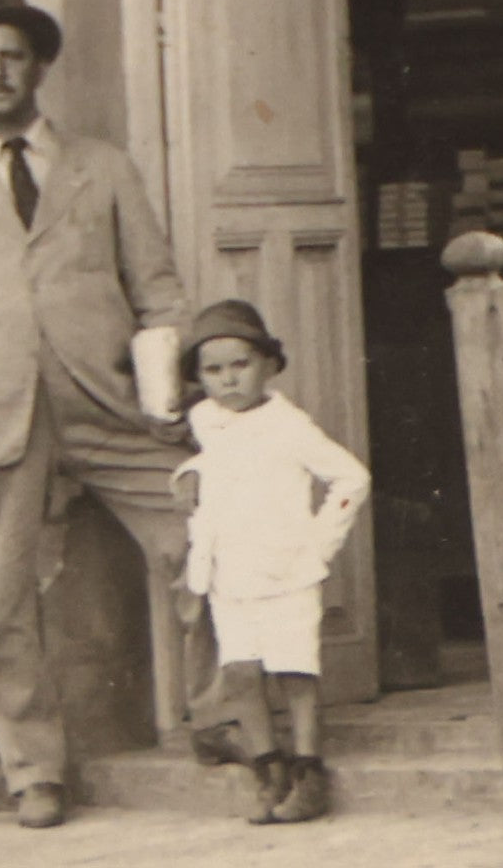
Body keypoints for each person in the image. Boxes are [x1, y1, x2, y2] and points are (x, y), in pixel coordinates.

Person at [0, 0, 192, 828]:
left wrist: (164, 399)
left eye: (10, 55)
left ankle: (231, 722)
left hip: (110, 406)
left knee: (201, 547)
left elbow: (159, 290)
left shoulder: (102, 165)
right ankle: (33, 773)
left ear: (38, 66)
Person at [176, 299, 370, 824]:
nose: (229, 380)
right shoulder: (205, 422)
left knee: (294, 672)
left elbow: (351, 478)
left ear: (267, 365)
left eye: (240, 365)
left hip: (286, 573)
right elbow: (217, 463)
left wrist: (317, 544)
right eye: (213, 371)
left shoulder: (290, 427)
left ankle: (308, 774)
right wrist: (188, 475)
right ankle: (269, 770)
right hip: (229, 575)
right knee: (241, 674)